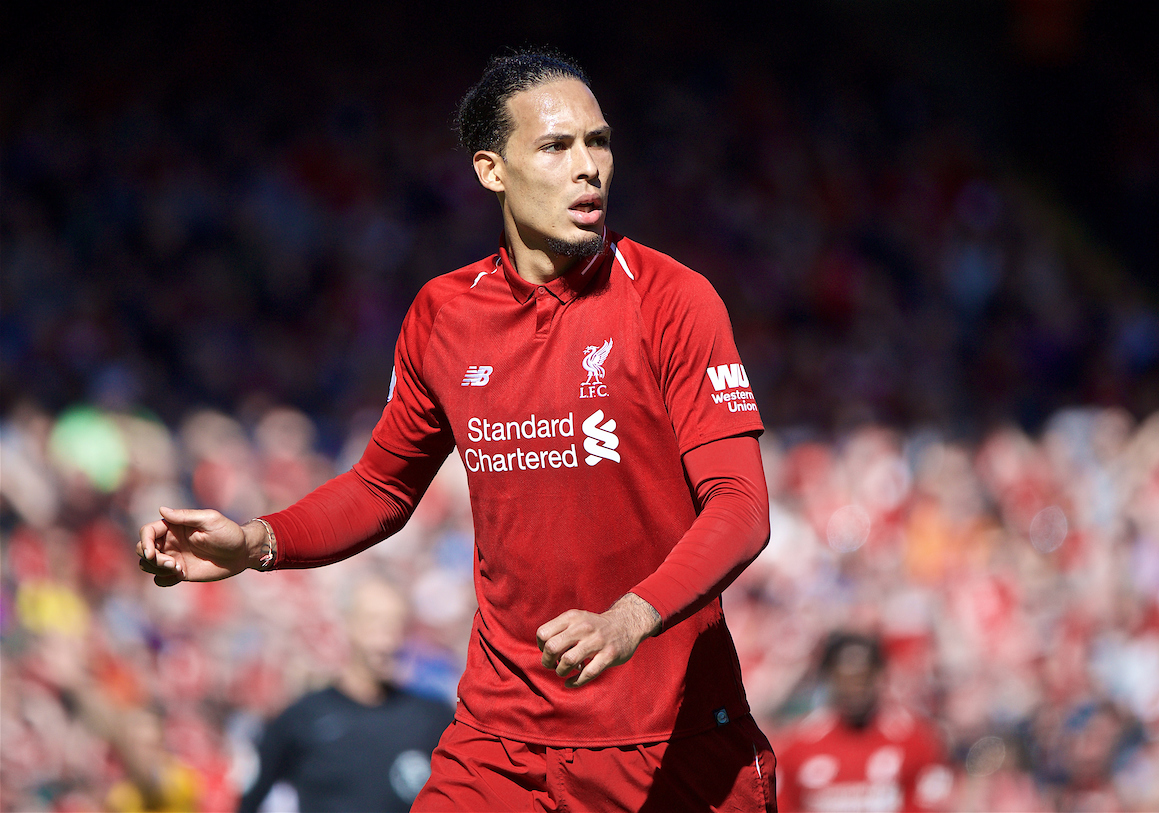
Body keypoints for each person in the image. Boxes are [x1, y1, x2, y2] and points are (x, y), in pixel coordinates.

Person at [138, 48, 775, 812]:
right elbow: (380, 487)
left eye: (598, 142)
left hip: (668, 740)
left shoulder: (672, 299)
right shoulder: (445, 314)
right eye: (555, 145)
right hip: (500, 742)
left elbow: (741, 505)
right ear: (491, 170)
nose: (588, 167)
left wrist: (630, 615)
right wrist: (254, 542)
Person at [238, 579, 455, 812]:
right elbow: (250, 799)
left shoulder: (434, 717)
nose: (387, 638)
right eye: (374, 622)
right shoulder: (302, 718)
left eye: (396, 624)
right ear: (347, 624)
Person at [774, 632, 954, 812]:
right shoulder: (799, 742)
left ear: (879, 675)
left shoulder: (915, 740)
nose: (855, 690)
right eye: (846, 680)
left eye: (862, 679)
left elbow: (930, 804)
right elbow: (781, 805)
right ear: (830, 679)